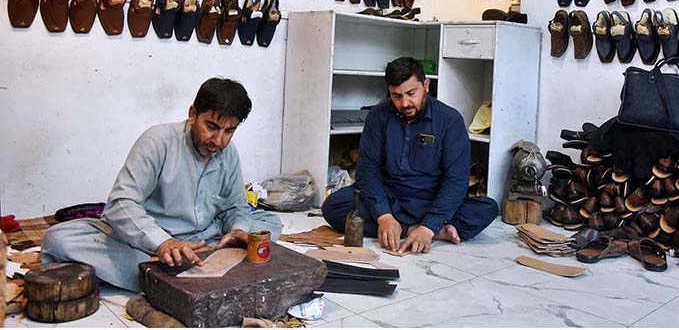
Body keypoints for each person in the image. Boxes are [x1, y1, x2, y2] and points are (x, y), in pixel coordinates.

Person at [41, 78, 282, 292]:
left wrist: (237, 230)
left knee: (269, 222)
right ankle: (174, 274)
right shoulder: (158, 142)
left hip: (203, 242)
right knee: (59, 238)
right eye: (211, 127)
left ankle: (168, 277)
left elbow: (235, 207)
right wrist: (162, 243)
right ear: (192, 114)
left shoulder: (228, 153)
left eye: (229, 131)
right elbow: (121, 204)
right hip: (150, 242)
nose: (218, 140)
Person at [322, 57, 498, 254]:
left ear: (426, 85)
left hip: (429, 199)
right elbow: (367, 170)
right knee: (333, 207)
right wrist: (384, 216)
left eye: (411, 93)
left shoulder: (450, 120)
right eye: (396, 96)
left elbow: (456, 180)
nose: (405, 103)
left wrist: (429, 224)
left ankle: (424, 229)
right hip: (390, 197)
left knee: (487, 208)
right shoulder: (377, 116)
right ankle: (417, 230)